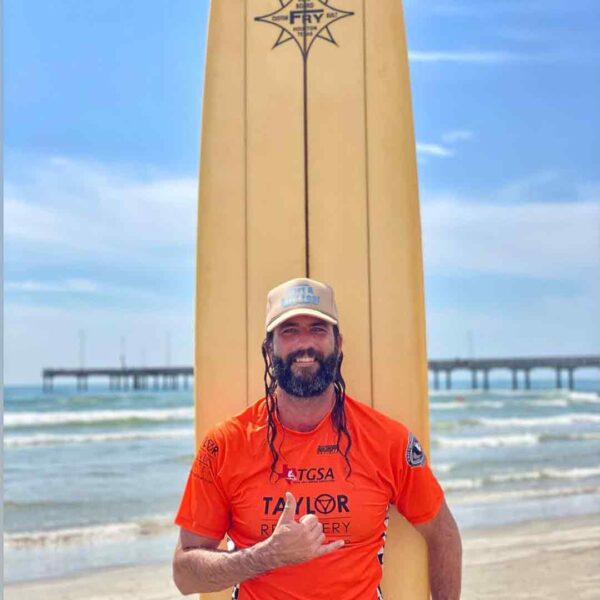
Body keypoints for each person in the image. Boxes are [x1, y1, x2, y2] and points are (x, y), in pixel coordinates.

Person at [173, 278, 462, 599]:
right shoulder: (226, 444)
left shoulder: (388, 440)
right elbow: (185, 575)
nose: (304, 344)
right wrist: (266, 556)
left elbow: (443, 534)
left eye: (317, 329)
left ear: (338, 344)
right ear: (269, 348)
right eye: (289, 330)